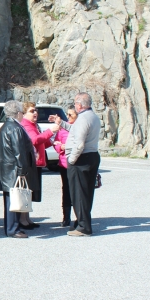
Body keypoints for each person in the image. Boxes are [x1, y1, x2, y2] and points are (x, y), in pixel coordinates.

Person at [53, 93, 101, 236]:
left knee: (78, 193)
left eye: (75, 103)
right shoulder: (92, 116)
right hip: (91, 155)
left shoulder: (83, 119)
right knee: (86, 193)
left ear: (79, 105)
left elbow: (79, 144)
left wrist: (71, 160)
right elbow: (76, 131)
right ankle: (82, 222)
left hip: (81, 159)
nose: (74, 106)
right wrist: (61, 123)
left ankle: (83, 227)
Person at [0, 100, 39, 239]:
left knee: (11, 200)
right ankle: (12, 229)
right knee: (13, 201)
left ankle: (12, 227)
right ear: (18, 113)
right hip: (13, 170)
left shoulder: (6, 126)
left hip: (8, 169)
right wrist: (22, 170)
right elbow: (19, 152)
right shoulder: (15, 128)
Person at [19, 102, 59, 230]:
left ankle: (26, 218)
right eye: (32, 111)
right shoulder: (26, 125)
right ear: (24, 114)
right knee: (26, 192)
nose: (35, 113)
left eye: (36, 110)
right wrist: (50, 131)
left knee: (30, 192)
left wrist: (52, 142)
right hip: (30, 163)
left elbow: (41, 142)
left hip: (36, 163)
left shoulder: (34, 125)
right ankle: (22, 219)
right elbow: (34, 140)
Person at [53, 105, 77, 228]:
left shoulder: (79, 127)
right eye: (67, 114)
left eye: (70, 115)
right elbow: (56, 143)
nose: (67, 117)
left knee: (77, 191)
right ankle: (66, 217)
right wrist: (59, 147)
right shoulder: (63, 128)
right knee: (66, 190)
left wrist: (65, 146)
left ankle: (79, 217)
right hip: (64, 163)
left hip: (76, 164)